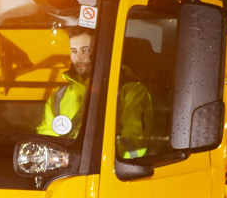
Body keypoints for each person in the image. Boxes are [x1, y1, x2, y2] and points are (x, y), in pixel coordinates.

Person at [36, 28, 154, 157]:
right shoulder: (59, 95)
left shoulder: (131, 92)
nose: (78, 57)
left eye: (86, 50)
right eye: (73, 51)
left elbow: (134, 141)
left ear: (101, 51)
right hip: (66, 170)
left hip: (112, 171)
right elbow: (45, 137)